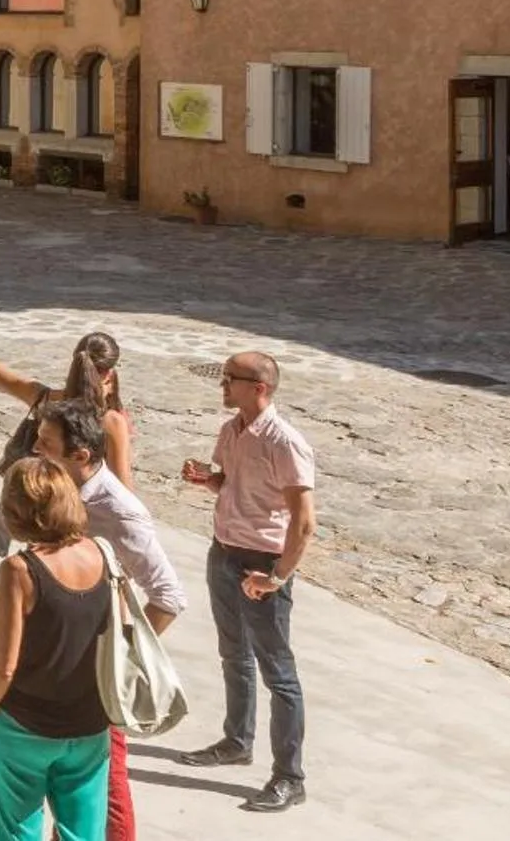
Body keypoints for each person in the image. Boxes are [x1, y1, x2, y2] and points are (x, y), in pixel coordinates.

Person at [37, 397, 186, 841]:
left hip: (96, 673)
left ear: (80, 456)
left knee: (106, 782)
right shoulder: (64, 492)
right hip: (60, 661)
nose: (36, 451)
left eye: (46, 444)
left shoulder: (119, 510)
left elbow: (168, 595)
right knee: (69, 780)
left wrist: (117, 657)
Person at [177, 350, 318, 815]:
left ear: (259, 388)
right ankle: (237, 742)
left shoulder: (286, 442)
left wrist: (277, 577)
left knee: (278, 672)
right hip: (224, 553)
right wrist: (209, 481)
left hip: (262, 563)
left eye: (229, 379)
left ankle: (289, 777)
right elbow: (232, 484)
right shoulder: (231, 430)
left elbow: (304, 522)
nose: (222, 385)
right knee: (232, 653)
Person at [0, 458, 113, 841]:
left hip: (24, 724)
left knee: (16, 830)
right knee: (83, 832)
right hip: (89, 723)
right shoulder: (101, 553)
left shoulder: (20, 570)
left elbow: (2, 665)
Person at [0, 331, 135, 485]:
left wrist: (33, 386)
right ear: (109, 374)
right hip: (71, 506)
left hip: (29, 495)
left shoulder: (44, 399)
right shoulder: (112, 421)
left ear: (75, 363)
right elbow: (123, 487)